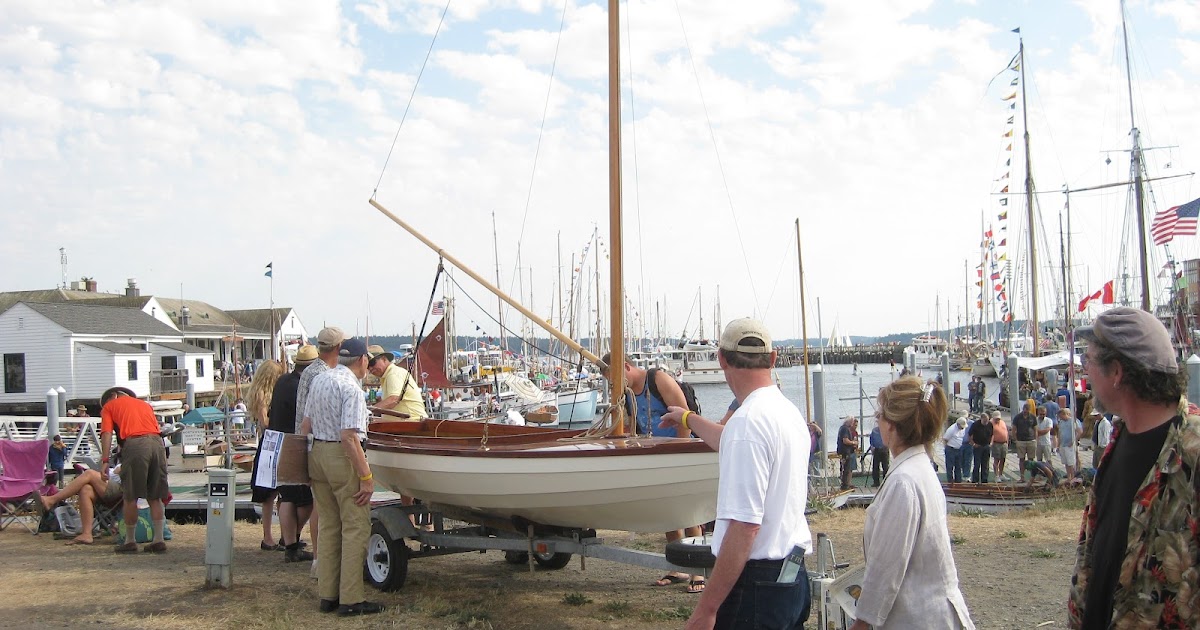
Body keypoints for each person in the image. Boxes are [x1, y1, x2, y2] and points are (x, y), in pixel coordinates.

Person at [658, 318, 812, 629]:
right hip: (793, 576)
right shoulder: (787, 412)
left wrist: (706, 609)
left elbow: (745, 527)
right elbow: (727, 439)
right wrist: (688, 418)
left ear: (721, 358)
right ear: (772, 358)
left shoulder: (747, 423)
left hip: (757, 582)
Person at [1069, 306, 1200, 628]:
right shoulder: (1120, 435)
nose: (1084, 371)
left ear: (1116, 372)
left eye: (1088, 361)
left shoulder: (1192, 450)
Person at [849, 377, 974, 630]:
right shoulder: (921, 467)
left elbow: (887, 565)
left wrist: (862, 622)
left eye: (879, 415)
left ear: (892, 425)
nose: (878, 422)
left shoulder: (903, 482)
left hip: (919, 617)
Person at [600, 352, 705, 592]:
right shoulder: (627, 395)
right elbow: (632, 424)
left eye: (614, 379)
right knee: (667, 511)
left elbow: (685, 416)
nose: (614, 385)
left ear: (625, 366)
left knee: (688, 511)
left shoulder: (658, 379)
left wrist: (681, 453)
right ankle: (677, 567)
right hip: (656, 453)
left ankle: (697, 572)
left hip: (680, 450)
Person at [301, 338, 384, 617]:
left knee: (329, 526)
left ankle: (328, 594)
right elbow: (349, 437)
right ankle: (351, 598)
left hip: (317, 454)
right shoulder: (351, 388)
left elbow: (306, 425)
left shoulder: (320, 380)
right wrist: (367, 476)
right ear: (362, 360)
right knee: (355, 527)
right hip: (340, 456)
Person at [297, 327, 349, 578]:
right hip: (323, 444)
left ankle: (322, 559)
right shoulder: (325, 374)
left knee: (322, 506)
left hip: (310, 444)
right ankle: (321, 559)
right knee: (324, 508)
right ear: (338, 347)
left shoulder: (310, 371)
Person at [98, 387, 170, 554]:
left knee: (130, 495)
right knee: (155, 495)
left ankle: (130, 541)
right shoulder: (144, 405)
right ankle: (158, 539)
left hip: (136, 444)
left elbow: (107, 433)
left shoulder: (109, 407)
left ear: (113, 396)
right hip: (157, 443)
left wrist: (104, 461)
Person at [270, 344, 318, 563]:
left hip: (277, 441)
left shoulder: (282, 381)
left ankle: (290, 543)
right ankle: (293, 540)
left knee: (287, 496)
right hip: (295, 441)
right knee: (306, 499)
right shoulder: (303, 385)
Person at [247, 360, 286, 551]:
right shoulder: (264, 396)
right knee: (269, 493)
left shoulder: (261, 393)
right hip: (270, 444)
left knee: (274, 493)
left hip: (269, 443)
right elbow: (265, 422)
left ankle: (274, 535)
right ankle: (268, 536)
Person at [37, 465, 123, 545]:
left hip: (123, 490)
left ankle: (52, 500)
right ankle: (86, 534)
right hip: (111, 486)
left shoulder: (132, 451)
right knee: (85, 489)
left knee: (89, 473)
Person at [367, 346, 426, 420]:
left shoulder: (393, 374)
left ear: (384, 359)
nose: (370, 368)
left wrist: (368, 411)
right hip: (408, 423)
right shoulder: (390, 375)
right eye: (367, 366)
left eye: (372, 363)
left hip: (411, 424)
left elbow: (393, 400)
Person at [1011, 400, 1038, 480]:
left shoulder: (1033, 417)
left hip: (1031, 440)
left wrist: (1035, 439)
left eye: (1027, 410)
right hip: (1021, 441)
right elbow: (1013, 429)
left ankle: (1032, 477)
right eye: (1024, 409)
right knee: (1021, 459)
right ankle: (1022, 477)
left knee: (1031, 459)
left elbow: (1035, 429)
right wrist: (1015, 439)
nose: (1025, 411)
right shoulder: (1018, 417)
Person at [966, 408, 993, 484]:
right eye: (985, 421)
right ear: (981, 419)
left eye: (987, 421)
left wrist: (991, 443)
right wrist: (973, 444)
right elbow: (970, 435)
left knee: (986, 464)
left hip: (986, 446)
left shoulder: (990, 424)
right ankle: (975, 480)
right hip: (978, 446)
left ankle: (984, 480)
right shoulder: (975, 425)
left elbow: (992, 434)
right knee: (977, 464)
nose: (986, 422)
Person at [1055, 408, 1081, 482]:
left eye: (1061, 416)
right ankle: (1069, 476)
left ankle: (1072, 476)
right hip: (1062, 444)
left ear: (1065, 414)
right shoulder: (1061, 422)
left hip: (1069, 445)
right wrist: (1058, 444)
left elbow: (1079, 432)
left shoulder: (1073, 421)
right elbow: (1059, 433)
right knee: (1065, 461)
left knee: (1071, 462)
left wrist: (1073, 441)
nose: (1060, 418)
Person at [942, 416, 967, 483]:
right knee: (950, 467)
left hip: (959, 449)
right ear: (958, 424)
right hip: (951, 449)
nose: (962, 428)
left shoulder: (963, 429)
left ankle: (958, 481)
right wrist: (946, 449)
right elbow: (945, 439)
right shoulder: (951, 429)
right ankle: (950, 481)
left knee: (958, 466)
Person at [837, 416, 859, 490]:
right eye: (852, 422)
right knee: (846, 469)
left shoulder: (842, 428)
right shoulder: (845, 429)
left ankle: (846, 484)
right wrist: (853, 442)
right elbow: (845, 440)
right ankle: (845, 485)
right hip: (845, 452)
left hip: (846, 451)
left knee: (847, 468)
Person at [989, 410, 1009, 482]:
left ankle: (1001, 474)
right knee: (996, 460)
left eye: (998, 418)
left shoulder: (1003, 422)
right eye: (996, 418)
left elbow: (1006, 432)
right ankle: (996, 475)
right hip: (996, 443)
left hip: (1004, 443)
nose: (997, 420)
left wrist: (1007, 441)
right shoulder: (991, 423)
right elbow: (990, 434)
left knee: (1003, 459)